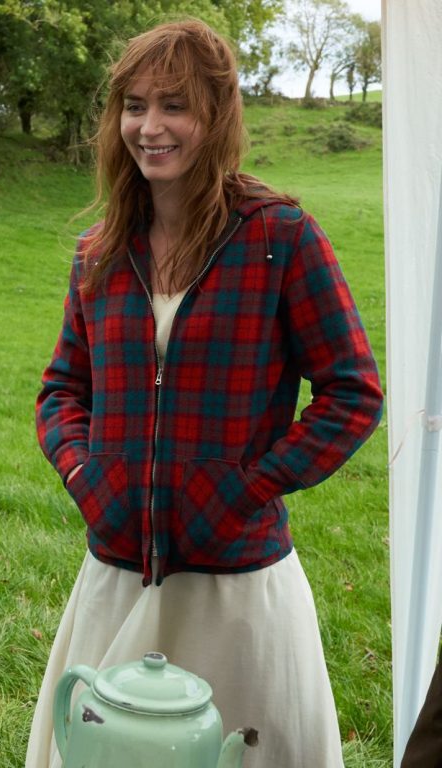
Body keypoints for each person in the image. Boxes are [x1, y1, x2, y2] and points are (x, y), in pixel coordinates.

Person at [23, 19, 383, 768]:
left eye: (174, 105)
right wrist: (86, 475)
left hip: (237, 587)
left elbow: (353, 393)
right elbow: (62, 389)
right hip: (118, 578)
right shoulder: (99, 251)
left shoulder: (280, 238)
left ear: (216, 116)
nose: (149, 127)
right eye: (134, 105)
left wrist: (248, 488)